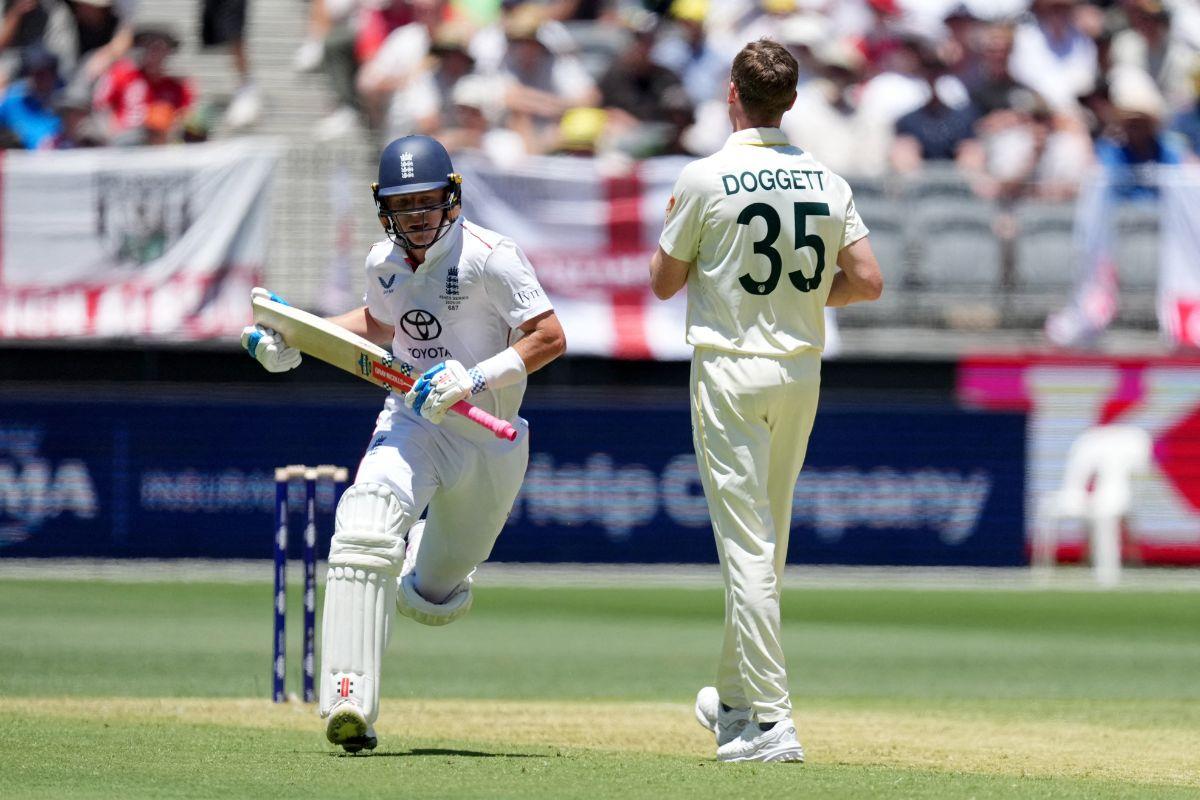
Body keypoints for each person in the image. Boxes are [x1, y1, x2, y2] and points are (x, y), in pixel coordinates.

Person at [240, 134, 566, 753]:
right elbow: (375, 327)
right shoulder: (382, 261)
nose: (417, 217)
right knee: (363, 520)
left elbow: (548, 337)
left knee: (432, 593)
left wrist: (472, 378)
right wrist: (294, 338)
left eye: (428, 202)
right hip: (414, 421)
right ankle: (348, 701)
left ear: (452, 198)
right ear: (383, 206)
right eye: (403, 205)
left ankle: (417, 560)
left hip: (488, 438)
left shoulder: (492, 256)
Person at [649, 39, 882, 763]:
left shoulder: (705, 176)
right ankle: (736, 699)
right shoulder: (825, 177)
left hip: (728, 369)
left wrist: (675, 224)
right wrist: (809, 298)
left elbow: (662, 282)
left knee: (748, 547)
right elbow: (868, 281)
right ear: (793, 99)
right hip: (800, 369)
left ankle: (773, 722)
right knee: (767, 545)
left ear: (731, 95)